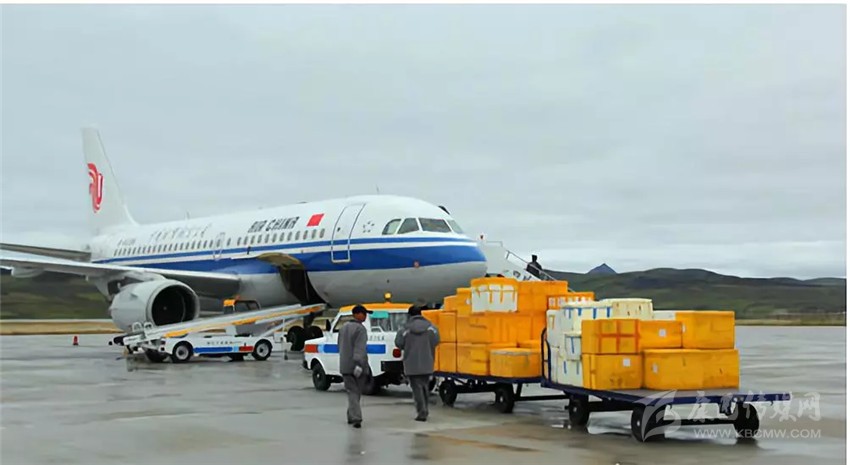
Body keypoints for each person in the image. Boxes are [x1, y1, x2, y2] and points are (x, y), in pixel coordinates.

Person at [394, 305, 440, 421]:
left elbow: (399, 343)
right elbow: (436, 341)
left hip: (411, 362)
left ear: (410, 315)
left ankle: (422, 412)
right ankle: (425, 409)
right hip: (427, 361)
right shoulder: (431, 327)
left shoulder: (404, 329)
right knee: (424, 387)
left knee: (416, 388)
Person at [339, 304, 372, 428]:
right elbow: (360, 348)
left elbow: (339, 346)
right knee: (355, 392)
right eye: (364, 313)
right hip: (357, 366)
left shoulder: (343, 328)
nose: (365, 316)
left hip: (345, 365)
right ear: (357, 314)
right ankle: (356, 418)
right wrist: (359, 364)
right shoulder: (360, 329)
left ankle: (351, 415)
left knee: (352, 392)